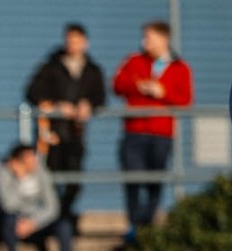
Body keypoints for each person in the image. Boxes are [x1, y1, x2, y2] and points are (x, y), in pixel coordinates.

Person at [112, 21, 192, 236]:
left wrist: (162, 92)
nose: (144, 42)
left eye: (149, 37)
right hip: (134, 131)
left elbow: (185, 100)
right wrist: (137, 86)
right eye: (144, 37)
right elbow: (117, 84)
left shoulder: (180, 67)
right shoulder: (134, 61)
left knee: (155, 180)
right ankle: (133, 225)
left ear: (164, 39)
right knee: (132, 179)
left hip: (161, 134)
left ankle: (148, 224)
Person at [26, 24, 106, 228]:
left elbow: (100, 97)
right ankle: (52, 221)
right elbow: (32, 92)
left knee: (74, 181)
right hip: (51, 134)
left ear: (85, 43)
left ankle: (61, 218)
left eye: (77, 40)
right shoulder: (51, 66)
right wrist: (57, 106)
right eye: (69, 40)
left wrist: (88, 105)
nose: (73, 44)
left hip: (76, 134)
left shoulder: (92, 70)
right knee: (49, 180)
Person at [0, 143, 88, 251]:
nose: (34, 162)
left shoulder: (41, 172)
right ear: (18, 161)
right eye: (30, 159)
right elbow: (8, 204)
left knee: (64, 224)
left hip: (36, 223)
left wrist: (33, 222)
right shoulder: (3, 173)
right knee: (9, 219)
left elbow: (52, 206)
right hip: (15, 223)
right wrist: (20, 178)